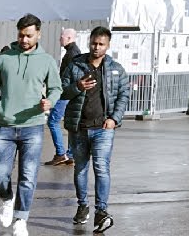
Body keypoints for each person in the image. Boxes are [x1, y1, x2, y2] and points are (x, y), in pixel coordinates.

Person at [0, 13, 63, 236]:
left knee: (28, 175)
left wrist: (50, 101)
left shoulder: (46, 60)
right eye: (21, 35)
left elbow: (56, 88)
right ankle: (7, 198)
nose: (24, 40)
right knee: (0, 173)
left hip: (33, 125)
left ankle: (21, 218)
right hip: (5, 125)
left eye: (29, 35)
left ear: (38, 34)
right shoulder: (3, 59)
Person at [61, 26, 128, 233]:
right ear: (89, 41)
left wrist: (114, 119)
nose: (96, 47)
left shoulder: (116, 69)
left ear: (108, 46)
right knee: (80, 169)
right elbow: (62, 91)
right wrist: (77, 87)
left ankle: (101, 211)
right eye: (93, 43)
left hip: (103, 129)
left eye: (101, 44)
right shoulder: (75, 65)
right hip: (79, 127)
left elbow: (123, 96)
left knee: (101, 168)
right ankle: (82, 206)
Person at [46, 28, 80, 167]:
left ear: (69, 38)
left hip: (65, 93)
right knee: (70, 124)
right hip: (69, 93)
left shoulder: (71, 54)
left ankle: (61, 154)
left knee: (53, 121)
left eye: (62, 36)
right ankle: (70, 154)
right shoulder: (74, 52)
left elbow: (68, 76)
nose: (60, 39)